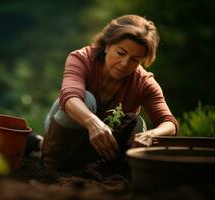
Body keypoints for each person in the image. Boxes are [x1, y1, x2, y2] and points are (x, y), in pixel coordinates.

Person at [40, 14, 179, 171]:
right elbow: (69, 97)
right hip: (66, 127)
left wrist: (151, 135)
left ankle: (111, 170)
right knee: (86, 100)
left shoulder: (144, 82)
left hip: (103, 147)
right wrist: (93, 123)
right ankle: (49, 161)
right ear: (107, 45)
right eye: (121, 53)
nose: (124, 63)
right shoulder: (82, 58)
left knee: (137, 124)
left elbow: (169, 123)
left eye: (134, 60)